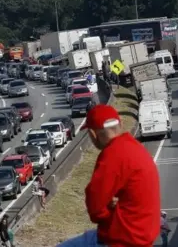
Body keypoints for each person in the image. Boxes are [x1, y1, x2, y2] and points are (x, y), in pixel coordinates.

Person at [57, 104, 161, 247]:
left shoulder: (112, 154)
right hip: (142, 235)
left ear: (93, 134)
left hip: (122, 239)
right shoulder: (135, 148)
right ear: (120, 123)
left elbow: (95, 207)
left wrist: (111, 213)